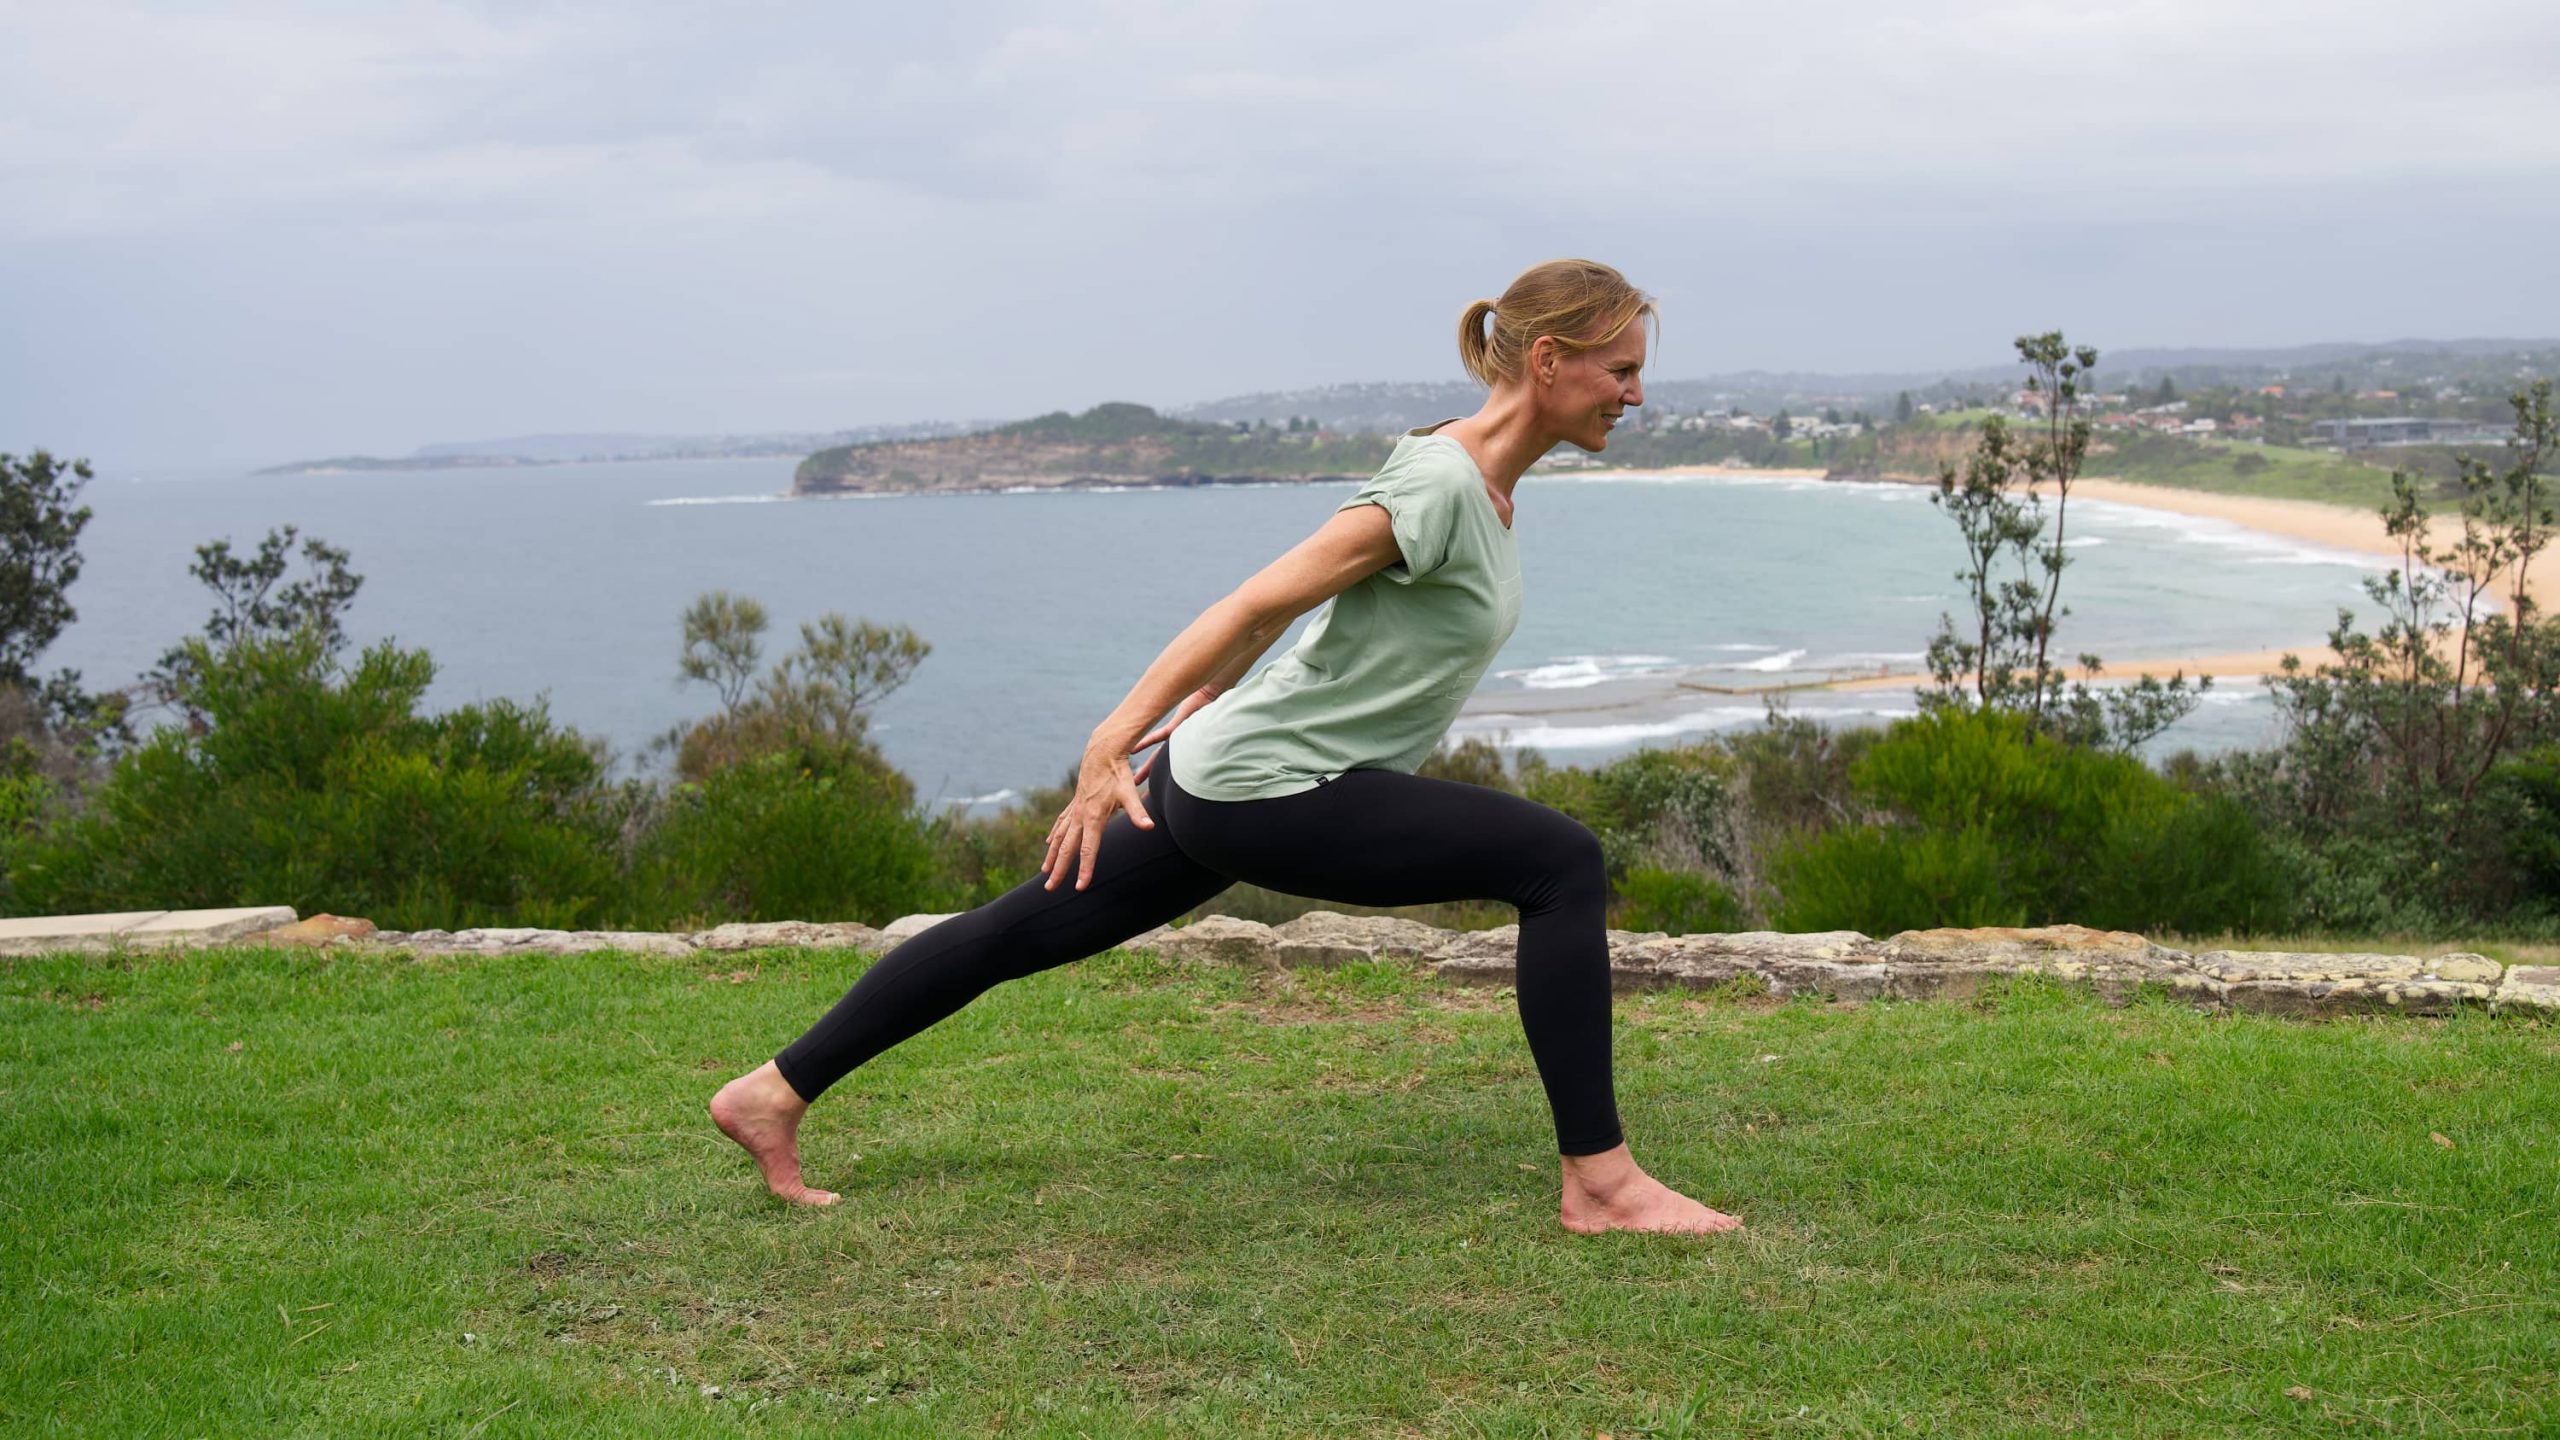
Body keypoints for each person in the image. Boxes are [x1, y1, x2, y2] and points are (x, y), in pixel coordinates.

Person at [713, 258, 1743, 1236]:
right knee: (1559, 864)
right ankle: (1601, 1184)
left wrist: (1205, 705)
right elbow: (1255, 594)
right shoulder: (1441, 483)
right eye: (1622, 370)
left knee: (1023, 929)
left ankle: (772, 1092)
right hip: (1265, 787)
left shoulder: (1476, 483)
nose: (1635, 396)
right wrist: (1110, 742)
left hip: (1221, 771)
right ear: (1551, 359)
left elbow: (1277, 623)